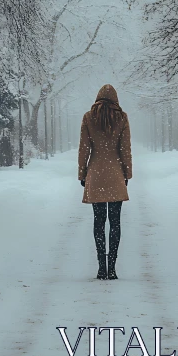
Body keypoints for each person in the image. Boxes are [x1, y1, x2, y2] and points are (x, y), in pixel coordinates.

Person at [78, 83, 132, 280]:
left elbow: (84, 149)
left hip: (96, 174)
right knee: (115, 222)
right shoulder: (122, 117)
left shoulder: (88, 117)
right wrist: (127, 173)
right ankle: (113, 268)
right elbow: (125, 149)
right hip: (115, 174)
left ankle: (101, 267)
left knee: (99, 221)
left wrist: (82, 173)